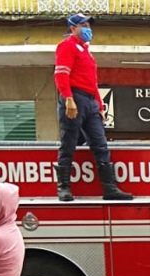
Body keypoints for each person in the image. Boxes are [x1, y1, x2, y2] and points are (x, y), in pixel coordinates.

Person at [54, 13, 132, 202]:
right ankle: (63, 188)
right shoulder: (67, 46)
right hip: (75, 98)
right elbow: (61, 74)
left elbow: (93, 82)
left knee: (100, 144)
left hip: (90, 101)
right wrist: (68, 99)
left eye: (89, 25)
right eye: (84, 25)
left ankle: (109, 188)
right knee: (69, 143)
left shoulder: (86, 51)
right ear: (73, 28)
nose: (89, 29)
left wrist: (100, 105)